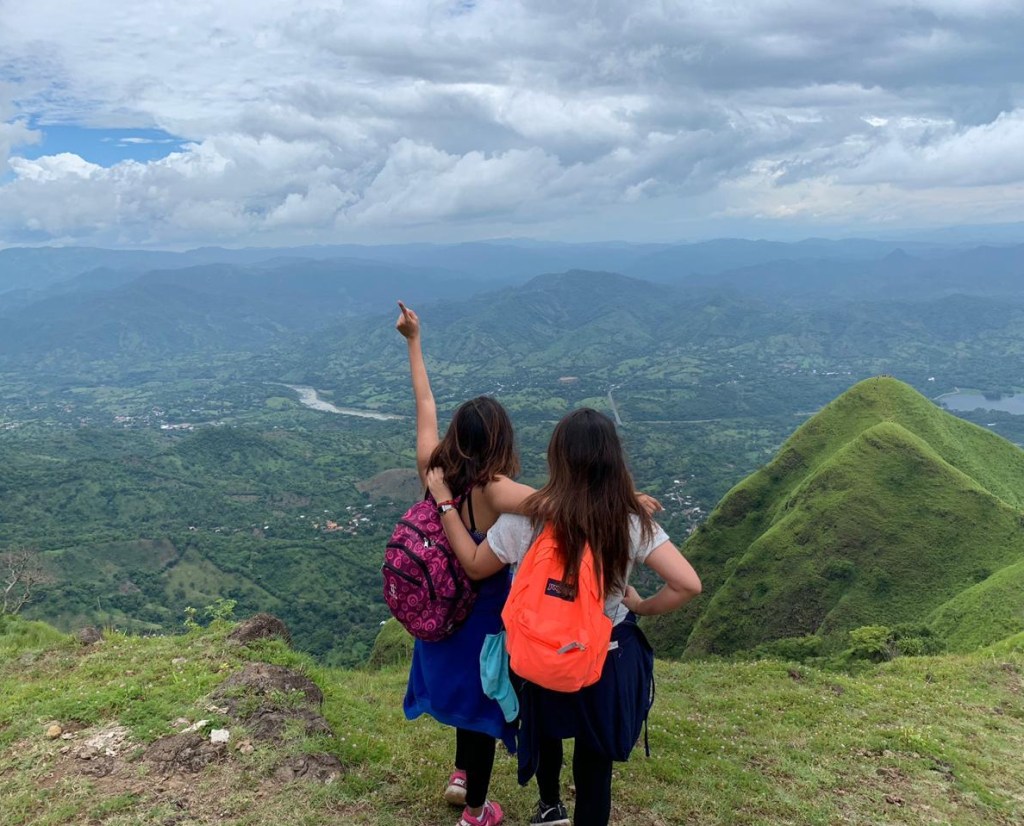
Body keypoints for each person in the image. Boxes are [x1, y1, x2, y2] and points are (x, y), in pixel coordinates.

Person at [427, 407, 702, 826]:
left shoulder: (527, 517)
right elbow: (687, 584)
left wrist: (446, 507)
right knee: (594, 765)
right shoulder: (627, 520)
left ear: (557, 457)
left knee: (547, 734)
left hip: (539, 651)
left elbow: (475, 564)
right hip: (601, 655)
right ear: (613, 459)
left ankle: (550, 805)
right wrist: (640, 605)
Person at [396, 301, 536, 826]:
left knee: (461, 694)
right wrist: (624, 498)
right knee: (481, 710)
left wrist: (413, 340)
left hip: (439, 615)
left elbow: (424, 402)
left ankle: (459, 776)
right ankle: (477, 812)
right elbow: (559, 505)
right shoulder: (496, 489)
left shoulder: (434, 469)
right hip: (482, 621)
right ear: (500, 439)